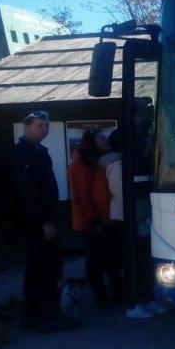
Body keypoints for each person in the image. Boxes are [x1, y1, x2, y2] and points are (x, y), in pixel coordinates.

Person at [7, 111, 80, 333]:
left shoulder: (38, 151)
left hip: (43, 219)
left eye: (46, 125)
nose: (45, 129)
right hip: (35, 223)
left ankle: (34, 316)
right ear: (26, 127)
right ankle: (45, 316)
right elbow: (27, 193)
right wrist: (44, 222)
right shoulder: (23, 154)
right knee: (44, 269)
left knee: (42, 268)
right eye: (40, 125)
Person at [97, 129, 166, 319]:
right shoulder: (117, 165)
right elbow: (123, 194)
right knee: (133, 261)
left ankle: (146, 297)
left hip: (138, 217)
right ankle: (134, 301)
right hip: (127, 218)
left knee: (142, 259)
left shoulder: (131, 163)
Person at [67, 130, 115, 307]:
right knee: (96, 257)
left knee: (101, 255)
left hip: (98, 217)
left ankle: (103, 291)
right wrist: (94, 220)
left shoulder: (95, 160)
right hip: (89, 219)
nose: (105, 140)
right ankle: (99, 294)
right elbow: (82, 195)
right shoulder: (82, 164)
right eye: (101, 138)